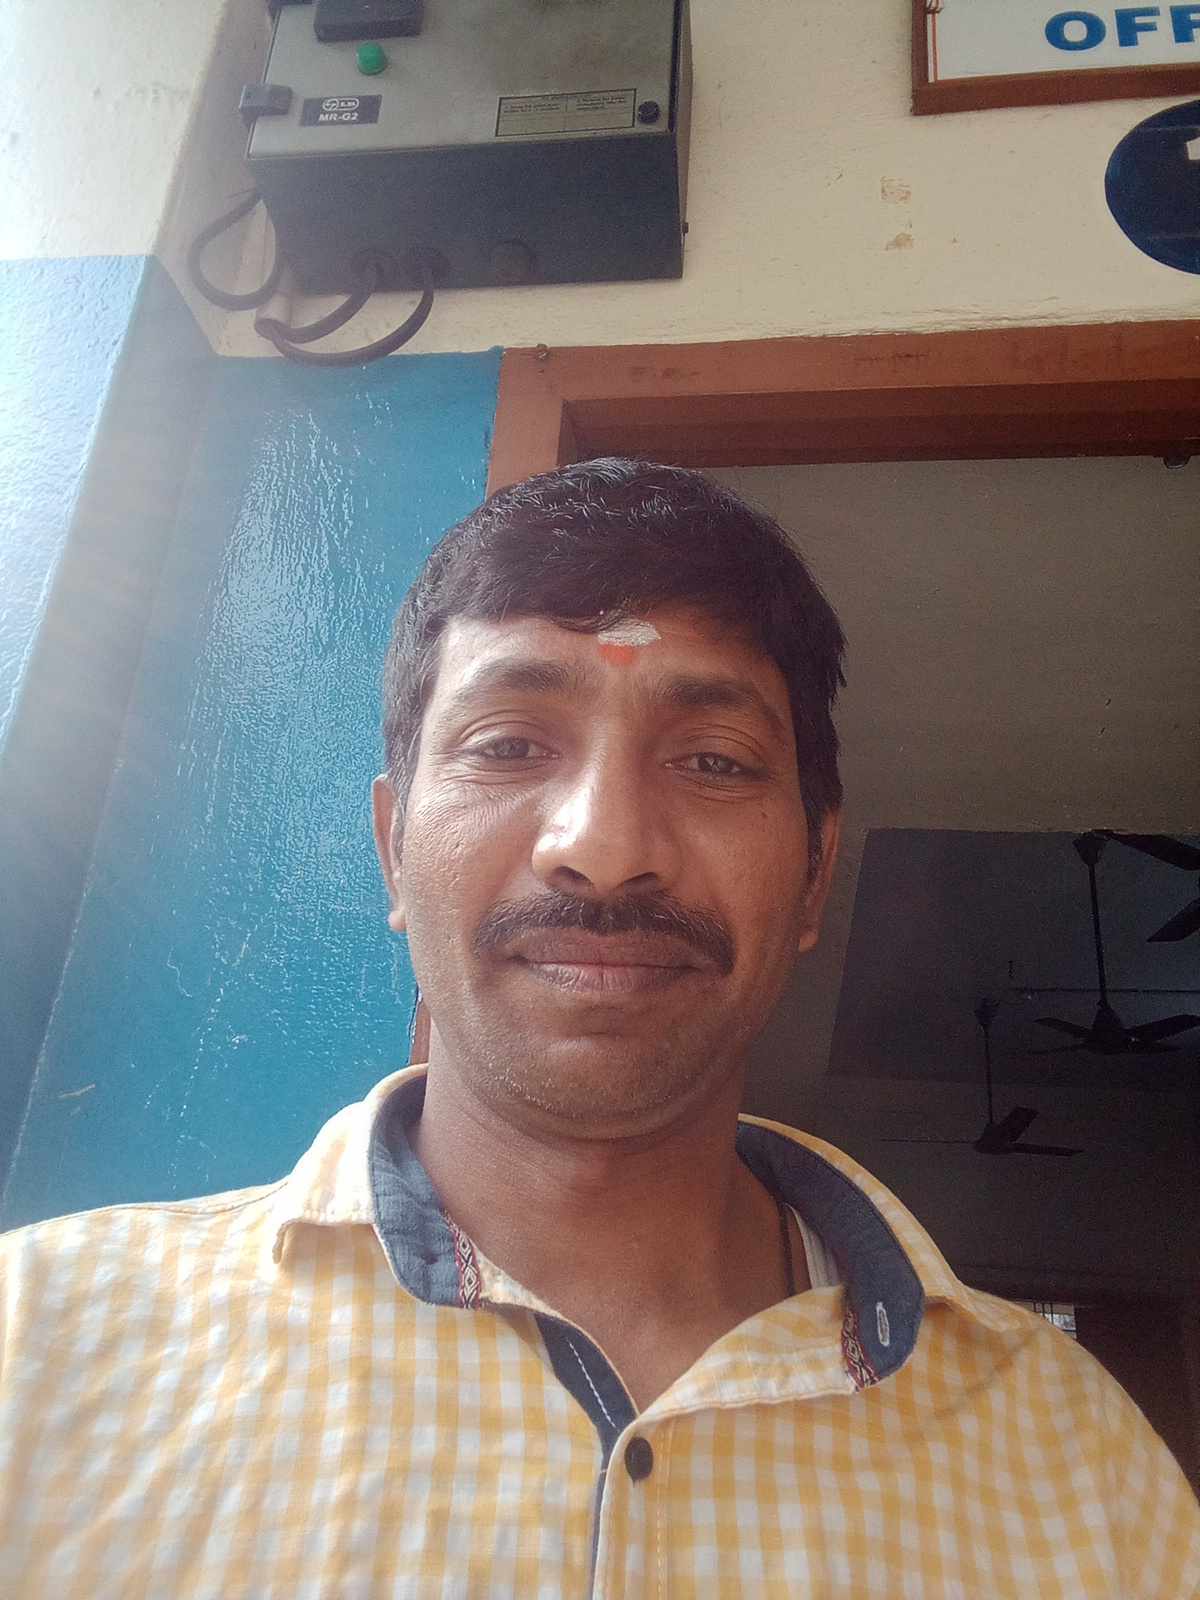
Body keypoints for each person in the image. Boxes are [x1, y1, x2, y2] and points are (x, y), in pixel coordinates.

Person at [1, 458, 1197, 1598]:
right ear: (393, 850)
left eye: (714, 760)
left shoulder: (1078, 1457)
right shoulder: (37, 1349)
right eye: (509, 745)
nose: (608, 846)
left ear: (814, 877)